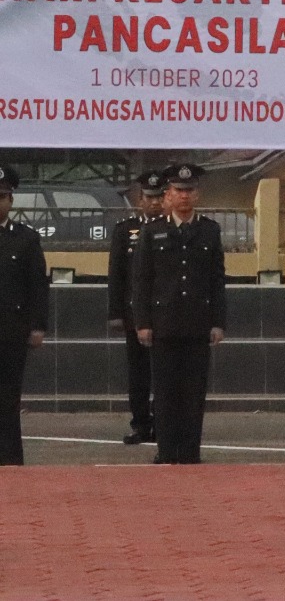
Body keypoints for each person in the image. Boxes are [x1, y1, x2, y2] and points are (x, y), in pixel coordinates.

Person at [132, 163, 226, 465]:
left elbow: (217, 280)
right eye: (178, 191)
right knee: (165, 392)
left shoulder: (209, 230)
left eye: (189, 190)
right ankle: (167, 449)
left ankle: (190, 452)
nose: (184, 196)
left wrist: (218, 322)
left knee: (193, 393)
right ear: (168, 195)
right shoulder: (153, 231)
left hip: (198, 323)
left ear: (196, 195)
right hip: (164, 323)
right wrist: (143, 322)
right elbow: (142, 280)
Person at [106, 169, 165, 445]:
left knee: (164, 372)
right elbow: (116, 275)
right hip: (134, 314)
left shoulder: (172, 229)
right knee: (139, 372)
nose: (154, 203)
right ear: (140, 199)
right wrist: (115, 313)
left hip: (166, 313)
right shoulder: (125, 230)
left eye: (159, 197)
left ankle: (165, 422)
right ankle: (141, 423)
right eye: (149, 197)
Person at [0, 165, 47, 466]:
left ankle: (9, 457)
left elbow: (37, 286)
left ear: (11, 201)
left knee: (8, 397)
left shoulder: (26, 239)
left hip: (11, 330)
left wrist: (38, 326)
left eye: (2, 196)